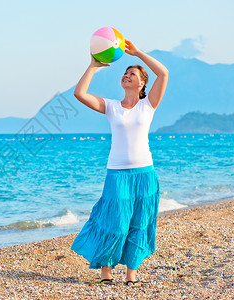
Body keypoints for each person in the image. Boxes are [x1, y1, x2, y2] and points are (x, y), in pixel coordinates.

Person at [70, 39, 169, 287]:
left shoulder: (149, 105)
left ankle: (131, 276)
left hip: (145, 173)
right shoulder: (111, 107)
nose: (126, 75)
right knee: (114, 223)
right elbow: (79, 94)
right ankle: (106, 272)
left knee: (138, 223)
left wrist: (137, 53)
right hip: (117, 174)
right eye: (125, 72)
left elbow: (164, 72)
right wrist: (93, 66)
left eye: (132, 73)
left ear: (142, 83)